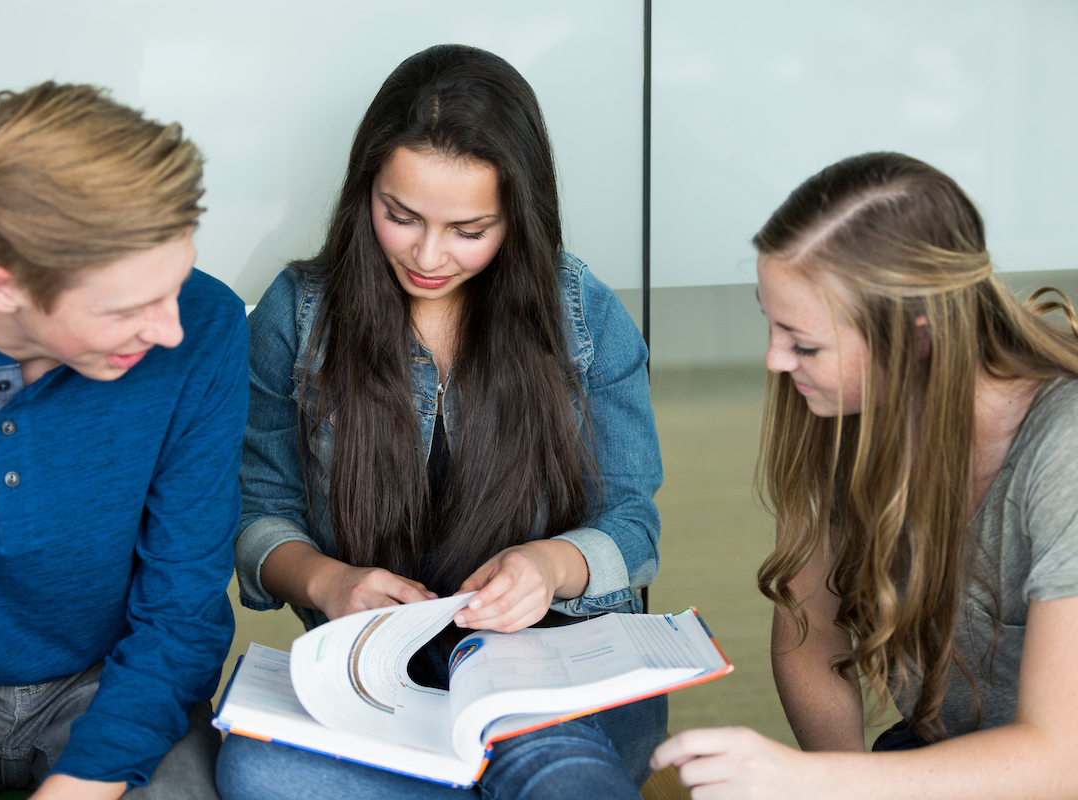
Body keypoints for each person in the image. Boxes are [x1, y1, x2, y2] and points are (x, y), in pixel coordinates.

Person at [219, 44, 666, 799]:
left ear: (519, 217)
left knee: (555, 765)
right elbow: (260, 518)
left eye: (470, 229)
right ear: (365, 192)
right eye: (400, 216)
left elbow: (633, 524)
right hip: (378, 680)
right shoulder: (297, 316)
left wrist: (550, 568)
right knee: (258, 771)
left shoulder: (581, 312)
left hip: (555, 675)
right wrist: (328, 583)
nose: (429, 255)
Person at [651, 152, 1078, 798]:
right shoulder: (850, 409)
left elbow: (1058, 758)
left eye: (805, 343)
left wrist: (823, 783)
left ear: (917, 336)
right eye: (772, 325)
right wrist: (840, 775)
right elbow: (811, 629)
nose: (774, 360)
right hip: (933, 759)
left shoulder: (1063, 449)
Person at [0, 82, 249, 800]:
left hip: (117, 684)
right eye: (129, 309)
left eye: (173, 282)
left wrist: (86, 781)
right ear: (2, 288)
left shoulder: (204, 325)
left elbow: (181, 608)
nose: (170, 329)